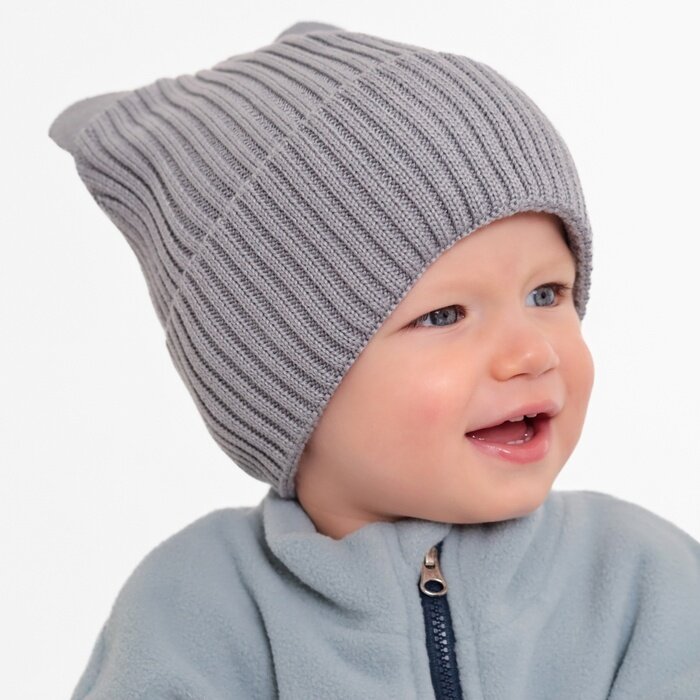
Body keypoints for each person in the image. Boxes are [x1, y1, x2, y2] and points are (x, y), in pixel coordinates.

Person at [49, 20, 700, 699]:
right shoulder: (194, 612)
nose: (532, 352)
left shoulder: (644, 584)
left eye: (547, 294)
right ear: (288, 383)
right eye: (444, 315)